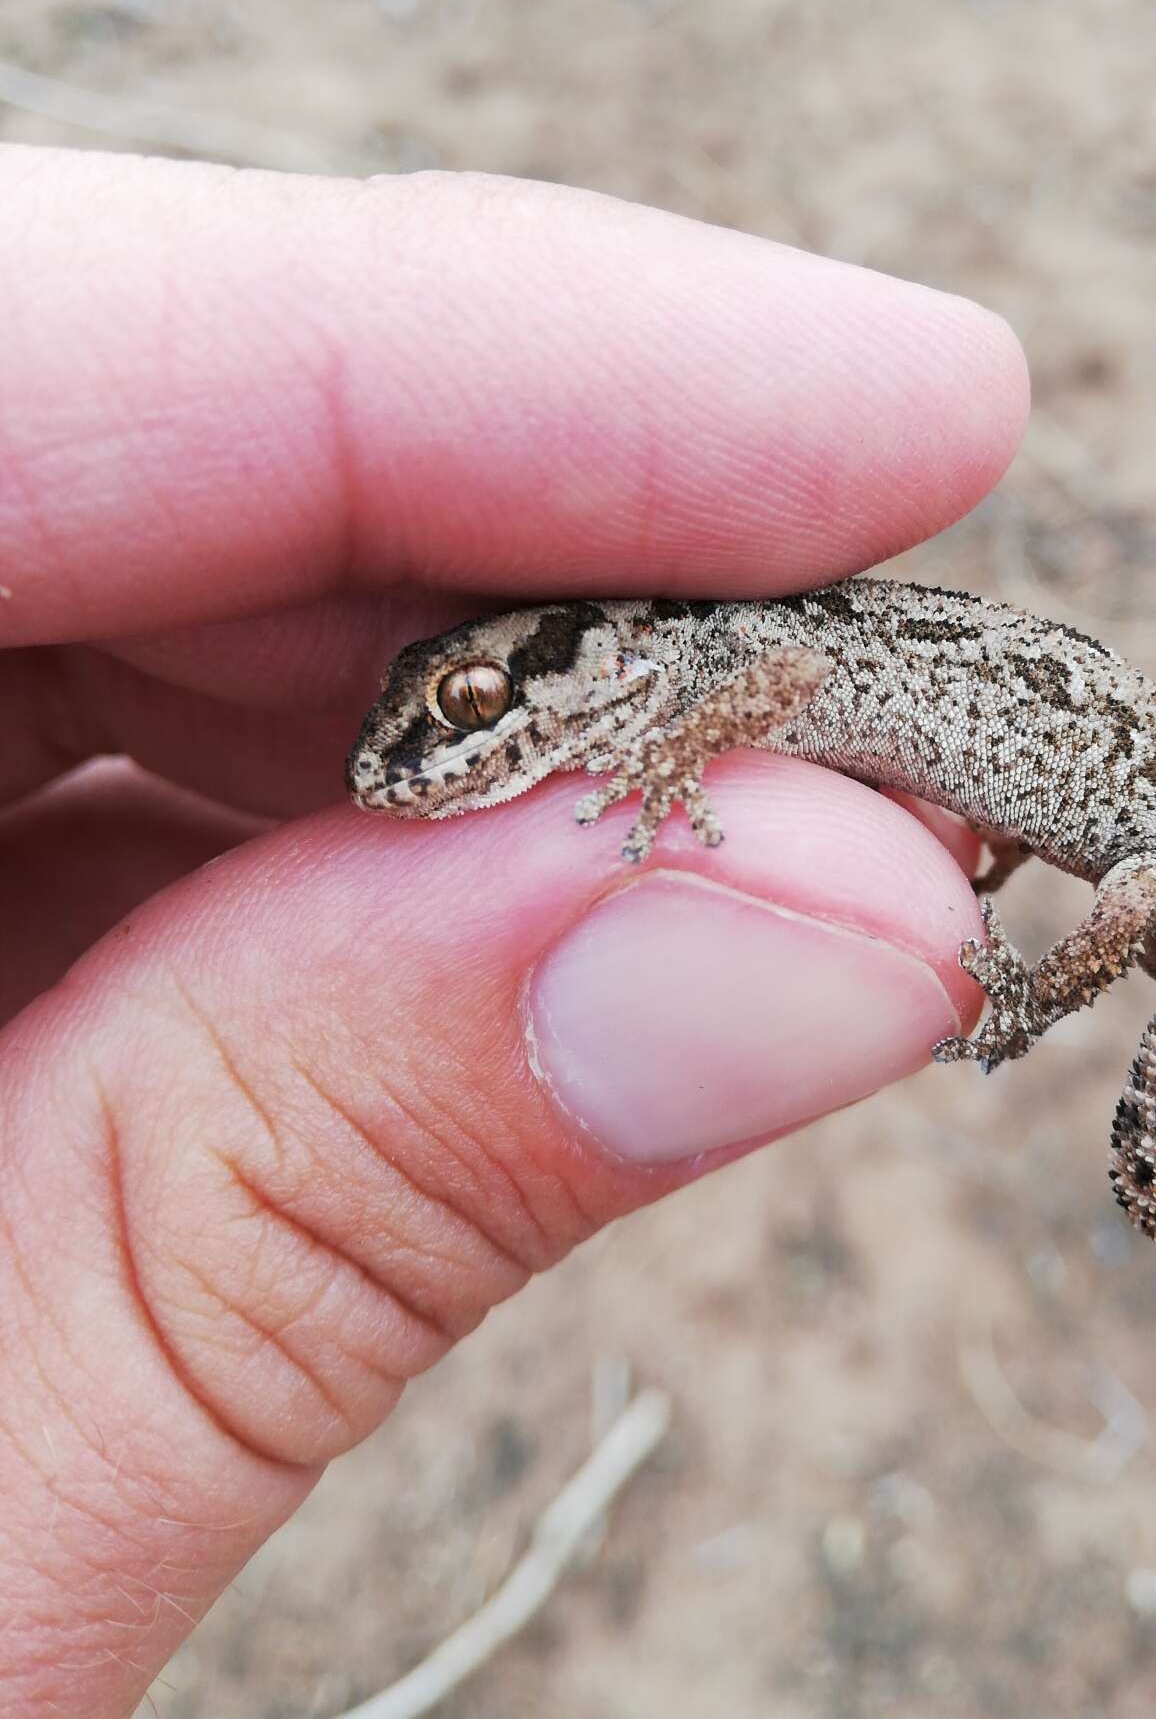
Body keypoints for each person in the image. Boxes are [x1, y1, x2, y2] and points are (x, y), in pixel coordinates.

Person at [0, 147, 1028, 1714]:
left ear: (592, 658)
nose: (426, 753)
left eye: (473, 707)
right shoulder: (646, 673)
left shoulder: (683, 668)